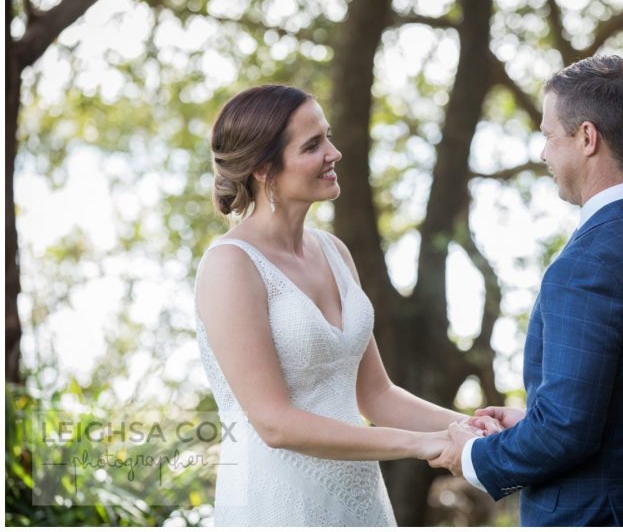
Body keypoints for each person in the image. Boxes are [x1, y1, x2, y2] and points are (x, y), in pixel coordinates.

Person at [429, 55, 623, 526]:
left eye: (548, 136)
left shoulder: (585, 267)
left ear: (587, 137)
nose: (543, 153)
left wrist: (476, 456)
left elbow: (564, 434)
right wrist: (531, 420)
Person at [195, 84, 498, 526]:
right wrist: (422, 443)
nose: (333, 153)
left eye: (328, 137)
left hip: (359, 501)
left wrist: (475, 431)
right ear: (263, 168)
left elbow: (377, 395)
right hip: (277, 505)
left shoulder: (334, 252)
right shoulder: (231, 265)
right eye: (313, 145)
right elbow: (274, 423)